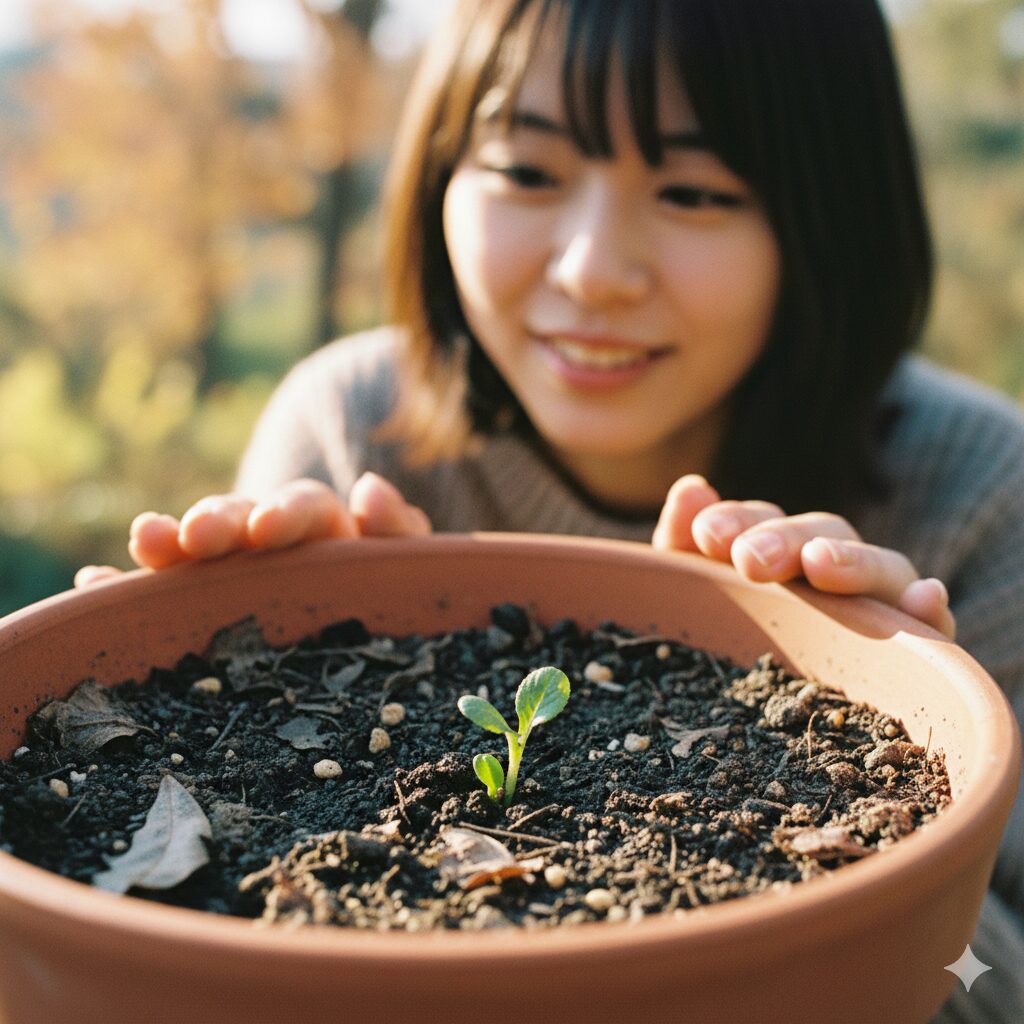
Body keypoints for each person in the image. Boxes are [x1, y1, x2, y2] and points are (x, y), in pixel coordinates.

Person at [77, 1, 1024, 1018]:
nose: (590, 271)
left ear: (831, 209)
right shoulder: (353, 428)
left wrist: (917, 875)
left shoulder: (977, 488)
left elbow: (996, 976)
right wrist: (270, 644)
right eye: (526, 172)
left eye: (695, 190)